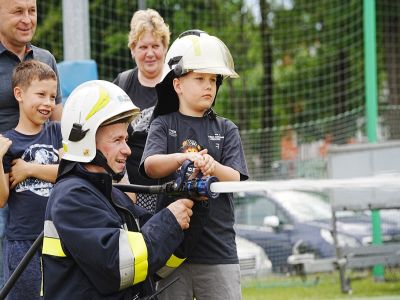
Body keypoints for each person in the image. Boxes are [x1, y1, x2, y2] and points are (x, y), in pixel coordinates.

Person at [41, 80, 208, 299]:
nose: (128, 150)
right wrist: (169, 220)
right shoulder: (72, 197)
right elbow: (118, 267)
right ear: (86, 141)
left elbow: (158, 264)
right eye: (117, 140)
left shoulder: (111, 195)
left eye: (126, 139)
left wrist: (192, 203)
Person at [140, 31, 249, 300]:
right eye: (199, 78)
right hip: (171, 251)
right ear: (177, 85)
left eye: (213, 80)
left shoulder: (227, 129)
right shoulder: (162, 125)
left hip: (219, 251)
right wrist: (182, 158)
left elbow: (235, 178)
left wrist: (213, 167)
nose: (208, 86)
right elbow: (150, 166)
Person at [0, 0, 62, 287]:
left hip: (42, 180)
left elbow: (58, 118)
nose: (27, 19)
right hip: (4, 179)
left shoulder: (45, 59)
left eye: (32, 11)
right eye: (17, 11)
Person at [113, 8, 170, 213]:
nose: (150, 53)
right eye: (143, 46)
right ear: (133, 50)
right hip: (128, 188)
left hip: (169, 189)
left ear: (165, 48)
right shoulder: (122, 83)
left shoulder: (177, 85)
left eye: (155, 45)